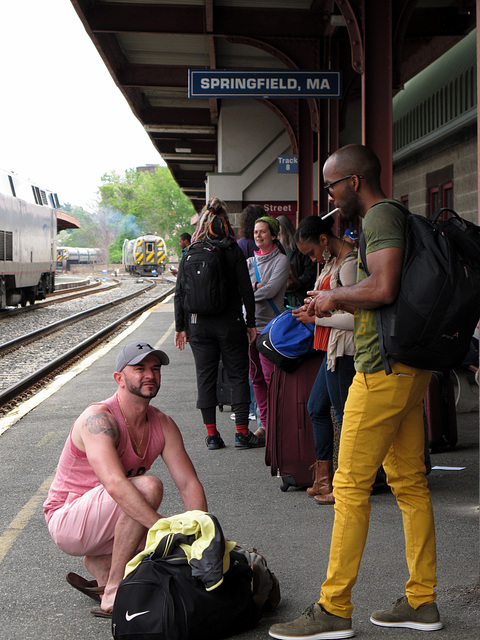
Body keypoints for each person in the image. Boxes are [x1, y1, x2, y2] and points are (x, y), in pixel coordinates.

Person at [269, 144, 441, 640]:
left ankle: (334, 608)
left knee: (347, 487)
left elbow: (383, 288)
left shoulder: (381, 218)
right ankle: (422, 601)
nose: (329, 195)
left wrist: (331, 296)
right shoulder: (391, 217)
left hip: (381, 371)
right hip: (405, 369)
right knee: (408, 484)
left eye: (331, 185)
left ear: (354, 182)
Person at [43, 342, 207, 618]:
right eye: (139, 368)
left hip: (105, 519)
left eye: (155, 369)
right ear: (119, 378)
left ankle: (102, 564)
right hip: (67, 519)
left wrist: (202, 536)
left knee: (180, 547)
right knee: (148, 488)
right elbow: (116, 485)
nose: (150, 375)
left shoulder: (163, 424)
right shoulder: (99, 420)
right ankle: (112, 591)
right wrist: (160, 528)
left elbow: (188, 484)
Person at [174, 197, 260, 449]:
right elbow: (246, 289)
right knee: (237, 375)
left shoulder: (190, 251)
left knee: (205, 377)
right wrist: (250, 322)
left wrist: (181, 327)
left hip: (198, 326)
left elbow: (179, 292)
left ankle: (212, 435)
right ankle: (242, 433)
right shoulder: (231, 249)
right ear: (224, 221)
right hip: (230, 323)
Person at [292, 215, 356, 504]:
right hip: (332, 350)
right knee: (317, 408)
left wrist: (318, 319)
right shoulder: (332, 262)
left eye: (311, 252)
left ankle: (343, 485)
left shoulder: (350, 264)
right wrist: (314, 308)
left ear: (323, 240)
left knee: (344, 417)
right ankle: (323, 479)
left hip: (345, 350)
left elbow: (359, 318)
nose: (313, 258)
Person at [247, 215, 290, 440]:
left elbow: (272, 290)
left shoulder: (281, 260)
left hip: (271, 327)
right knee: (256, 377)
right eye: (256, 232)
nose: (258, 235)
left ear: (274, 235)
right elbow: (241, 290)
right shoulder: (248, 262)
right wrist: (255, 287)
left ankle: (277, 423)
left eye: (263, 231)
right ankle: (265, 424)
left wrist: (250, 292)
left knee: (270, 376)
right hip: (250, 326)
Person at [277, 214, 317, 307]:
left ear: (286, 232)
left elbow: (310, 274)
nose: (277, 237)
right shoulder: (277, 250)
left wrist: (295, 283)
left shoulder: (301, 250)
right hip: (283, 298)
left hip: (300, 298)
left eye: (279, 234)